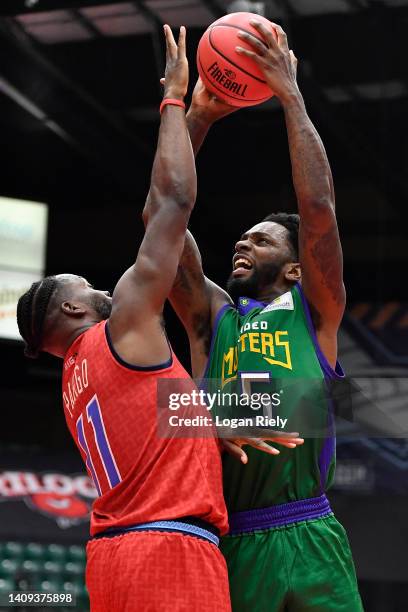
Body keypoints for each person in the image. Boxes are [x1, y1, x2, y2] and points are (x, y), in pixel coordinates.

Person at [16, 25, 232, 612]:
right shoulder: (120, 333)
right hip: (168, 552)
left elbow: (162, 417)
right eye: (83, 284)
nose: (97, 286)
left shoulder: (74, 380)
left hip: (111, 559)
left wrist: (219, 423)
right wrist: (175, 98)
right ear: (69, 307)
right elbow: (170, 207)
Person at [169, 20, 363, 612]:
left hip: (311, 533)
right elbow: (164, 223)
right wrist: (192, 119)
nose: (241, 244)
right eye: (243, 238)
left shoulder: (315, 312)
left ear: (297, 267)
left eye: (261, 240)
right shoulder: (212, 318)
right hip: (234, 538)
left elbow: (319, 207)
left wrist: (290, 97)